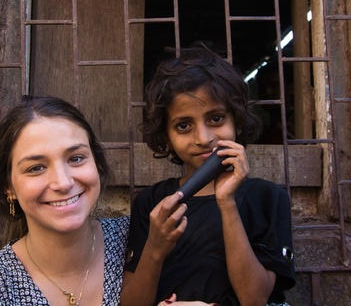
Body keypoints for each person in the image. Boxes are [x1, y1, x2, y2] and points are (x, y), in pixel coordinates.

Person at [121, 46, 296, 306]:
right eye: (183, 125)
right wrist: (155, 248)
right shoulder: (153, 202)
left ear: (236, 121)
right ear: (166, 138)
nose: (204, 138)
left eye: (216, 118)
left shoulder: (267, 198)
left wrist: (227, 203)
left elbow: (255, 299)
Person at [0, 96, 129, 305]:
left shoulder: (143, 240)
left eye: (76, 158)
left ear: (96, 164)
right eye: (36, 168)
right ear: (9, 187)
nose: (62, 183)